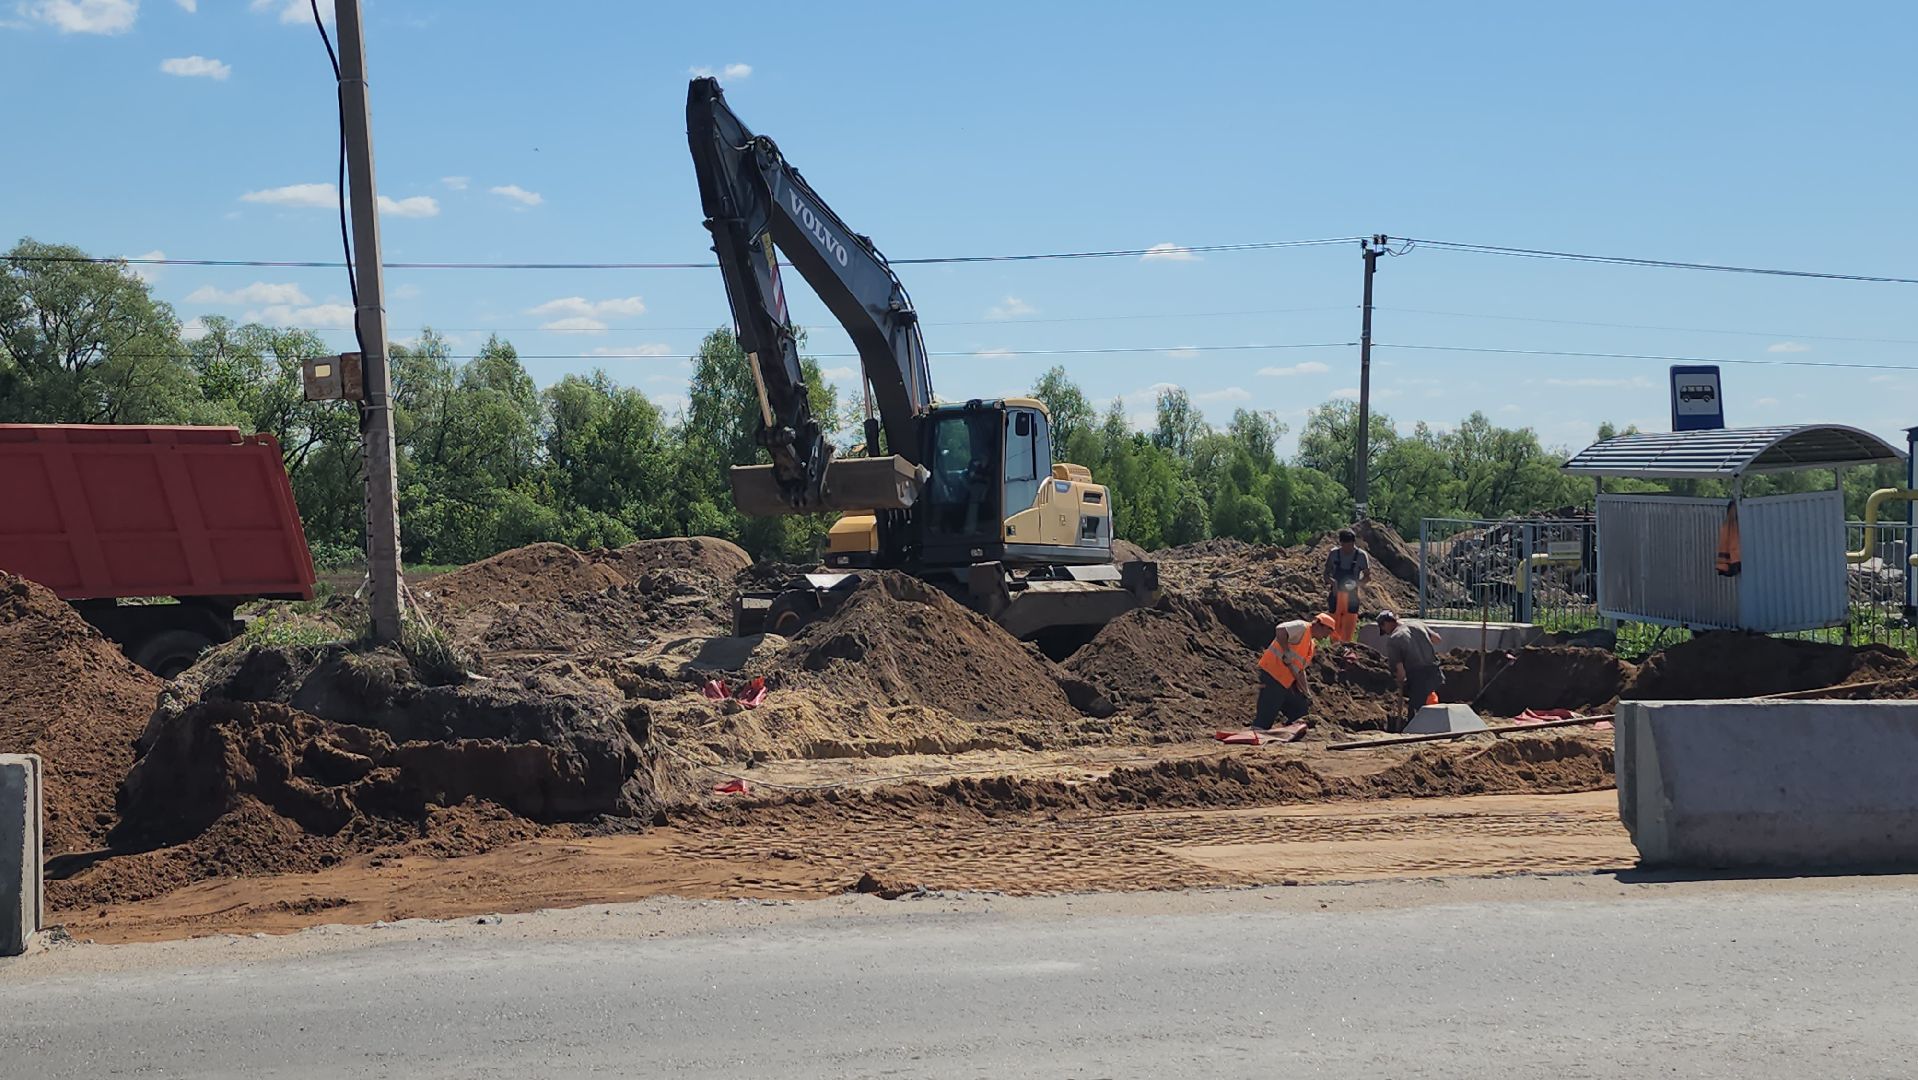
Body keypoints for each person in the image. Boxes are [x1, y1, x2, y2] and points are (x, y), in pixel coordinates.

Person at [1252, 612, 1337, 731]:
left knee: (1300, 708)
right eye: (1326, 633)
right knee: (1268, 712)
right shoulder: (1302, 627)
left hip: (1286, 681)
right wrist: (1286, 651)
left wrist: (1306, 692)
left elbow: (1300, 671)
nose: (1325, 637)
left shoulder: (1311, 645)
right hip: (1272, 674)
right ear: (1319, 624)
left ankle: (1294, 730)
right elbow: (1280, 629)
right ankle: (1257, 732)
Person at [1374, 610, 1444, 732]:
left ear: (1385, 623)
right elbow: (1437, 639)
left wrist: (1400, 681)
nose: (1386, 633)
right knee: (1429, 700)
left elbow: (1400, 670)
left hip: (1418, 678)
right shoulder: (1417, 624)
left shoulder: (1394, 639)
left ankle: (1417, 733)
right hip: (1435, 672)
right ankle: (1436, 726)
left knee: (1416, 714)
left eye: (1383, 629)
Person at [1323, 528, 1372, 643]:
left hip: (1352, 596)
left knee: (1348, 627)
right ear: (1340, 543)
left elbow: (1367, 577)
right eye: (1344, 545)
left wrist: (1356, 584)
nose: (1347, 548)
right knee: (1334, 626)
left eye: (1349, 545)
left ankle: (1347, 646)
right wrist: (1332, 583)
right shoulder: (1334, 554)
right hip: (1336, 594)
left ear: (1354, 543)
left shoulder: (1361, 556)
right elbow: (1326, 574)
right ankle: (1334, 647)